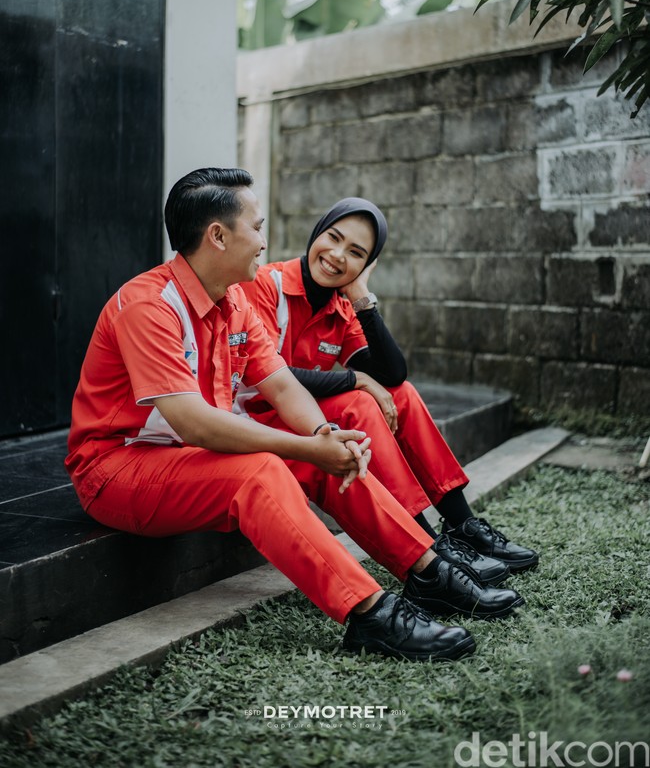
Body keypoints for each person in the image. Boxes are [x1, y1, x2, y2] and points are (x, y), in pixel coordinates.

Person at [66, 168, 524, 664]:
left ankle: (429, 571)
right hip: (116, 469)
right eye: (256, 227)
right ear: (217, 236)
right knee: (264, 469)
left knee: (321, 452)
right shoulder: (149, 305)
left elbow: (281, 383)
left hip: (186, 458)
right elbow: (192, 422)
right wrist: (308, 447)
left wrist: (324, 436)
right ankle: (371, 614)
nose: (264, 241)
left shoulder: (233, 299)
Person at [238, 197, 539, 583]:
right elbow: (267, 375)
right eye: (333, 238)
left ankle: (462, 525)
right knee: (360, 401)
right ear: (317, 232)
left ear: (366, 265)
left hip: (306, 419)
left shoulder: (340, 306)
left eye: (356, 253)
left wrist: (361, 296)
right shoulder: (266, 285)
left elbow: (393, 373)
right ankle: (427, 547)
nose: (336, 255)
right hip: (259, 419)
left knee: (403, 396)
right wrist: (357, 379)